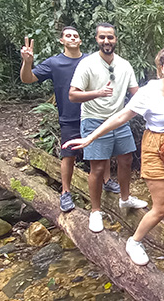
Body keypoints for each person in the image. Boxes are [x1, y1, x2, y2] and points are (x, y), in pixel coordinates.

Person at [63, 44, 164, 265]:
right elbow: (121, 117)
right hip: (156, 149)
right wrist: (91, 137)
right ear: (161, 67)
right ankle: (134, 242)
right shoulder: (149, 92)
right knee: (162, 208)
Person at [20, 26, 121, 213]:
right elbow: (28, 79)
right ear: (62, 41)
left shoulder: (92, 60)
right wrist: (27, 62)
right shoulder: (54, 63)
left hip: (94, 113)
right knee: (68, 154)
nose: (72, 38)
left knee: (102, 149)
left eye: (76, 36)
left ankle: (107, 181)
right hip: (69, 116)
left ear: (80, 41)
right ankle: (65, 192)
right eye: (68, 36)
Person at [69, 23, 147, 233]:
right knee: (98, 168)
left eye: (110, 37)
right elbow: (73, 95)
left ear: (115, 39)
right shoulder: (87, 64)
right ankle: (95, 211)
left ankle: (125, 198)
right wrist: (97, 93)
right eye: (102, 37)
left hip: (119, 119)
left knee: (127, 159)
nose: (106, 41)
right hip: (93, 119)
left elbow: (136, 93)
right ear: (96, 39)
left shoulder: (125, 65)